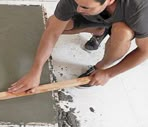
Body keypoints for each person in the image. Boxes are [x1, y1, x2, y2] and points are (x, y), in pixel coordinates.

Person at [8, 0, 148, 91]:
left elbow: (145, 51)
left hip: (123, 25)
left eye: (85, 6)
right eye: (77, 4)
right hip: (98, 18)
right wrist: (35, 71)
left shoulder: (138, 8)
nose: (78, 9)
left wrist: (107, 73)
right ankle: (99, 31)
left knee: (122, 33)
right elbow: (52, 32)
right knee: (52, 23)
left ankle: (100, 66)